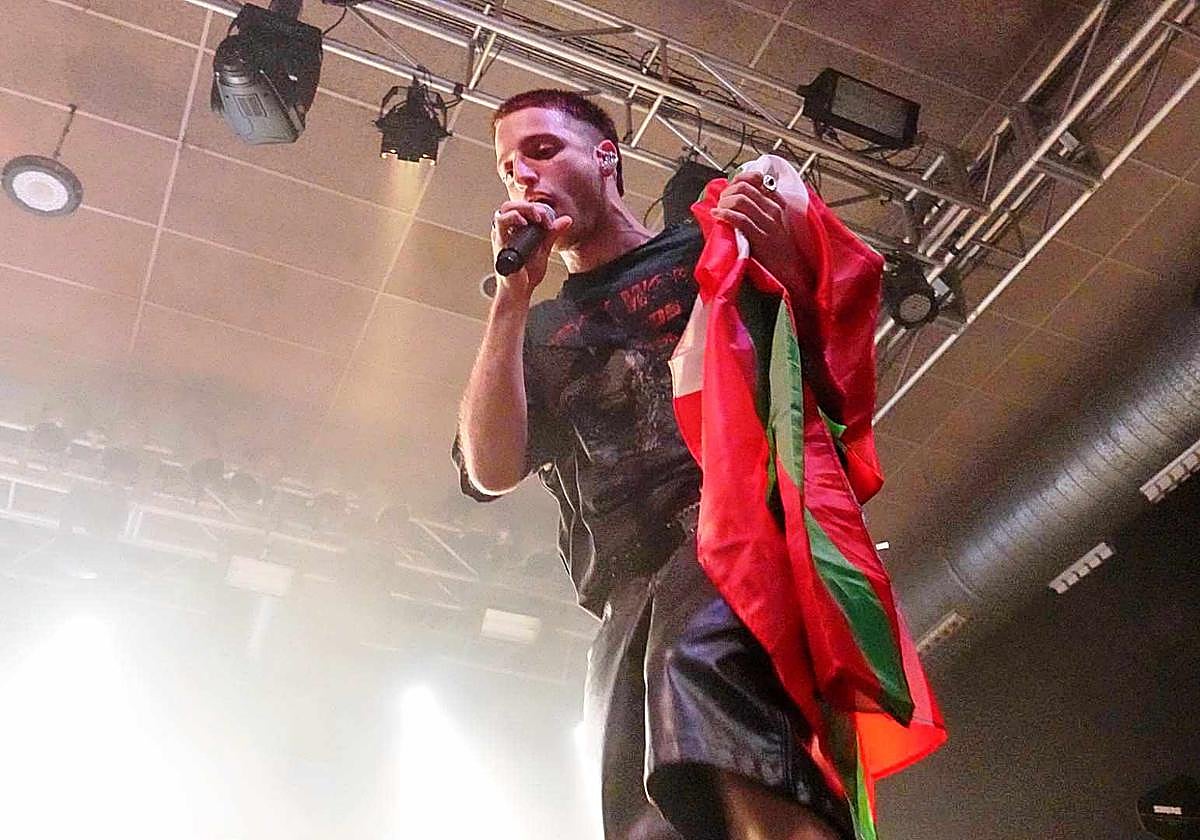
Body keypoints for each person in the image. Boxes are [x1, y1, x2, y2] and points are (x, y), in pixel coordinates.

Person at [455, 89, 855, 840]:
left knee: (712, 715)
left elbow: (823, 375)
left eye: (542, 150)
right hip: (626, 592)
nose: (523, 176)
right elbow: (490, 468)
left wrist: (786, 266)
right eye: (509, 168)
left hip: (730, 540)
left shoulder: (704, 249)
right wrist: (511, 299)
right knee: (645, 817)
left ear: (606, 156)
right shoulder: (536, 328)